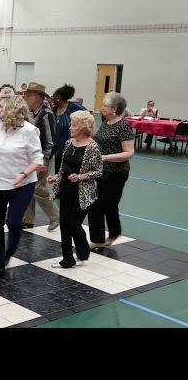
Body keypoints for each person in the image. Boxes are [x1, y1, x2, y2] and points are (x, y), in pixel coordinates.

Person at [0, 95, 43, 279]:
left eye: (1, 107)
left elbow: (37, 159)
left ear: (13, 111)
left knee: (14, 222)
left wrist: (23, 174)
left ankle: (10, 250)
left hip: (21, 184)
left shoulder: (30, 131)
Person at [47, 111, 102, 268]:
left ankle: (83, 249)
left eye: (73, 125)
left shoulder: (92, 147)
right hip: (66, 189)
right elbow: (64, 167)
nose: (70, 127)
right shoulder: (68, 143)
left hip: (83, 192)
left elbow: (98, 171)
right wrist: (56, 177)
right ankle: (67, 259)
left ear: (83, 127)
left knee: (74, 224)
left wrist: (81, 176)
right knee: (64, 224)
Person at [88, 92, 135, 249]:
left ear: (114, 109)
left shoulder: (124, 127)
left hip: (115, 173)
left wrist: (106, 157)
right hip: (99, 171)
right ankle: (97, 239)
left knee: (109, 205)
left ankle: (114, 232)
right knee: (95, 205)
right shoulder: (105, 122)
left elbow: (129, 153)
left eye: (105, 106)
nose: (102, 108)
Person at [21, 83, 60, 231]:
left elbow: (50, 141)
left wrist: (44, 160)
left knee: (38, 187)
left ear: (37, 97)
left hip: (43, 156)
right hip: (31, 156)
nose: (26, 97)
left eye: (28, 95)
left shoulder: (46, 114)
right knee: (29, 185)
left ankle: (55, 215)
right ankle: (28, 219)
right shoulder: (31, 112)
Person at [51, 84, 84, 173]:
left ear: (58, 97)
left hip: (72, 150)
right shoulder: (53, 110)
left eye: (53, 97)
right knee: (58, 174)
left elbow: (87, 119)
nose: (52, 99)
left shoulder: (74, 107)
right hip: (58, 150)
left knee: (69, 174)